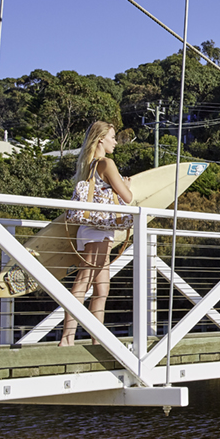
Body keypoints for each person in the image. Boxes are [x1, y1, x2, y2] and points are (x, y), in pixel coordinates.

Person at [59, 121, 133, 347]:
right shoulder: (106, 163)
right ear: (100, 139)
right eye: (112, 137)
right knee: (85, 281)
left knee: (102, 287)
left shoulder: (89, 164)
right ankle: (67, 338)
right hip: (98, 232)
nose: (115, 142)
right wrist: (127, 184)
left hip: (91, 230)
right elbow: (127, 198)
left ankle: (97, 339)